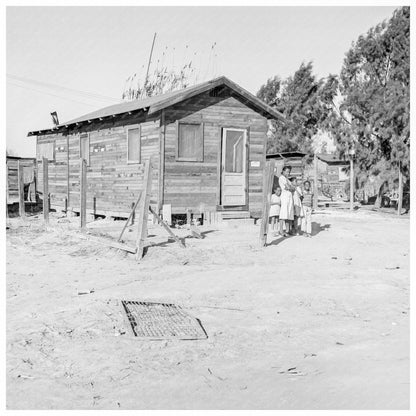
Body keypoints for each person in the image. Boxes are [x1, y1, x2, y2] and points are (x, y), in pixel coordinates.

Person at [278, 166, 294, 237]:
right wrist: (291, 187)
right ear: (283, 171)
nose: (288, 173)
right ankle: (281, 230)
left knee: (288, 212)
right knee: (283, 213)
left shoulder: (287, 179)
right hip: (284, 196)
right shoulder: (281, 178)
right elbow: (288, 187)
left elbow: (293, 187)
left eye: (289, 172)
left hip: (289, 196)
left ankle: (287, 230)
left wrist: (291, 187)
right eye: (287, 171)